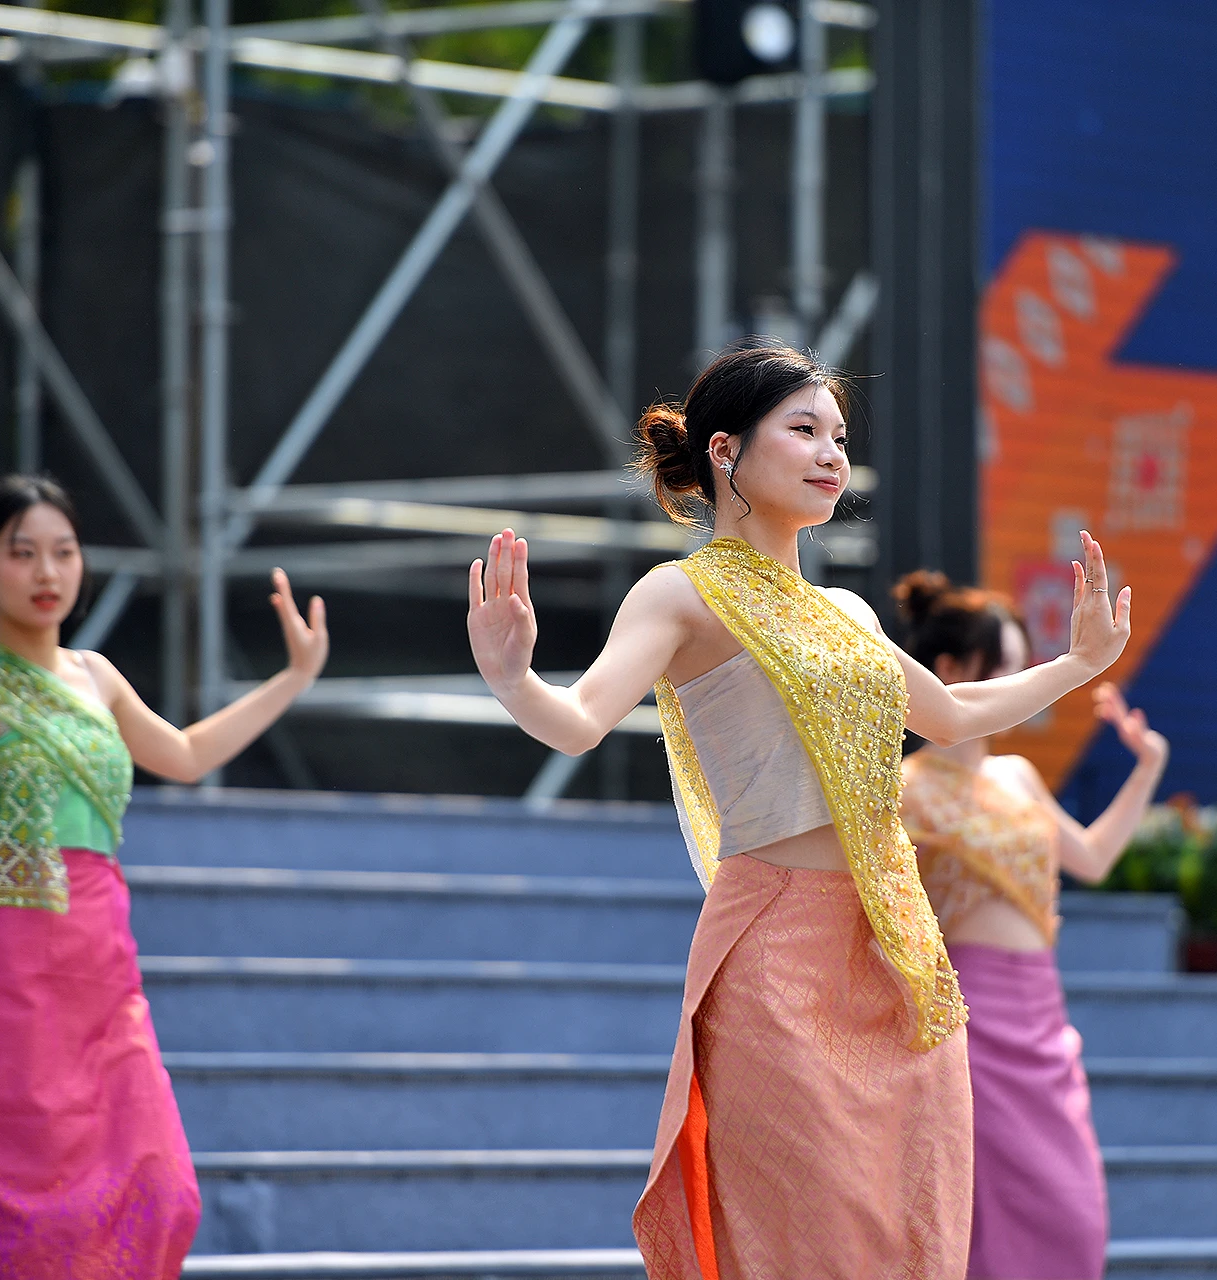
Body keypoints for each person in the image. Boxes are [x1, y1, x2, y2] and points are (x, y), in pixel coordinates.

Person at [465, 342, 1133, 1280]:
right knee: (804, 1236)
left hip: (896, 949)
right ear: (727, 450)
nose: (832, 455)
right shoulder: (681, 592)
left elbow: (948, 715)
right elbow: (577, 723)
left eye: (841, 436)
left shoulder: (847, 613)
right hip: (775, 953)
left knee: (910, 1228)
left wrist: (1077, 666)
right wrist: (513, 678)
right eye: (806, 430)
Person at [0, 475, 330, 1278]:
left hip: (104, 970)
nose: (48, 572)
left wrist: (292, 678)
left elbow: (184, 755)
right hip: (8, 976)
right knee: (21, 1211)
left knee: (159, 1191)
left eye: (64, 551)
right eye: (22, 554)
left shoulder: (98, 676)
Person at [892, 570, 1167, 1280]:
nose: (1021, 682)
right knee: (985, 1223)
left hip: (1042, 1019)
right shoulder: (903, 791)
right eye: (1007, 666)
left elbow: (1095, 858)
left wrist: (1145, 772)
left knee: (1072, 1215)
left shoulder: (1016, 777)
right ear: (949, 672)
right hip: (966, 1022)